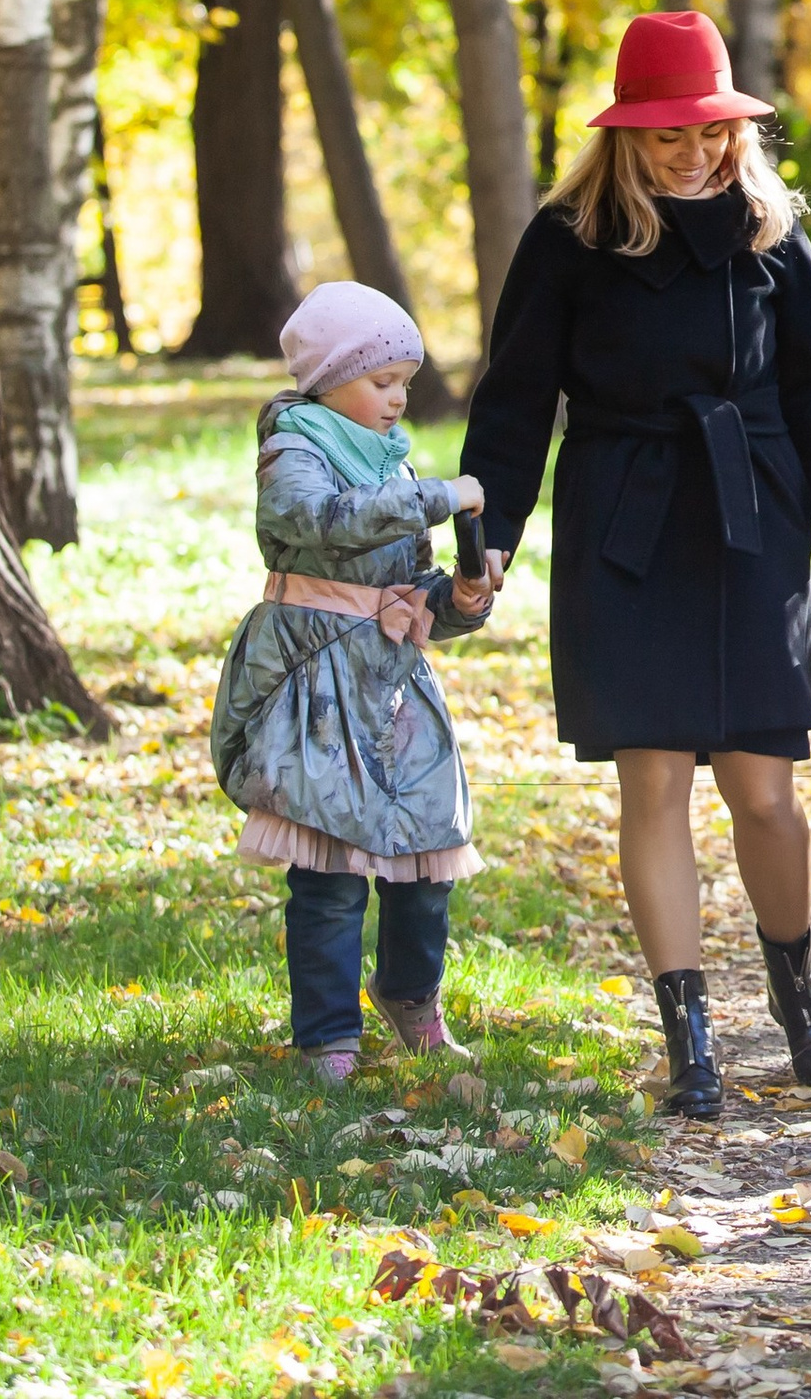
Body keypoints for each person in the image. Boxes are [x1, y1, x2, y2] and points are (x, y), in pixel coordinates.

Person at [459, 10, 811, 1115]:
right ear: (624, 137)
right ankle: (687, 1028)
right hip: (624, 522)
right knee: (653, 779)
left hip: (752, 515)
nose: (693, 154)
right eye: (667, 138)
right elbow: (513, 401)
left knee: (764, 790)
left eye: (710, 134)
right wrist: (487, 537)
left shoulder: (769, 233)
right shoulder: (567, 236)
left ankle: (797, 992)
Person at [212, 281, 504, 1084]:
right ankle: (328, 1035)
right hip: (316, 686)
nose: (399, 398)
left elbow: (408, 596)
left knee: (426, 859)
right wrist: (436, 497)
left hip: (393, 688)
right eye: (382, 382)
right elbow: (317, 525)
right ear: (329, 379)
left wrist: (459, 598)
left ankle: (410, 994)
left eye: (405, 381)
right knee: (333, 872)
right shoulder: (293, 450)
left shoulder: (393, 458)